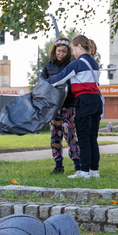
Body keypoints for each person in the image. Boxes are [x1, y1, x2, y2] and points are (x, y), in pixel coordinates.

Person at [48, 35, 103, 179]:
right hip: (96, 101)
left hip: (84, 102)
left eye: (73, 49)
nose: (73, 53)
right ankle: (94, 171)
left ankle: (84, 172)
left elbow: (59, 78)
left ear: (79, 47)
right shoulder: (94, 63)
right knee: (92, 138)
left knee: (83, 138)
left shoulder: (77, 64)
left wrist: (44, 83)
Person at [41, 38, 80, 175]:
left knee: (69, 132)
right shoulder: (48, 67)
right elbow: (43, 84)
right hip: (54, 107)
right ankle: (58, 165)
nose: (61, 54)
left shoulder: (72, 65)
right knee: (55, 135)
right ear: (54, 51)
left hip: (69, 105)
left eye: (64, 51)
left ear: (68, 52)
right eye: (59, 51)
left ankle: (77, 163)